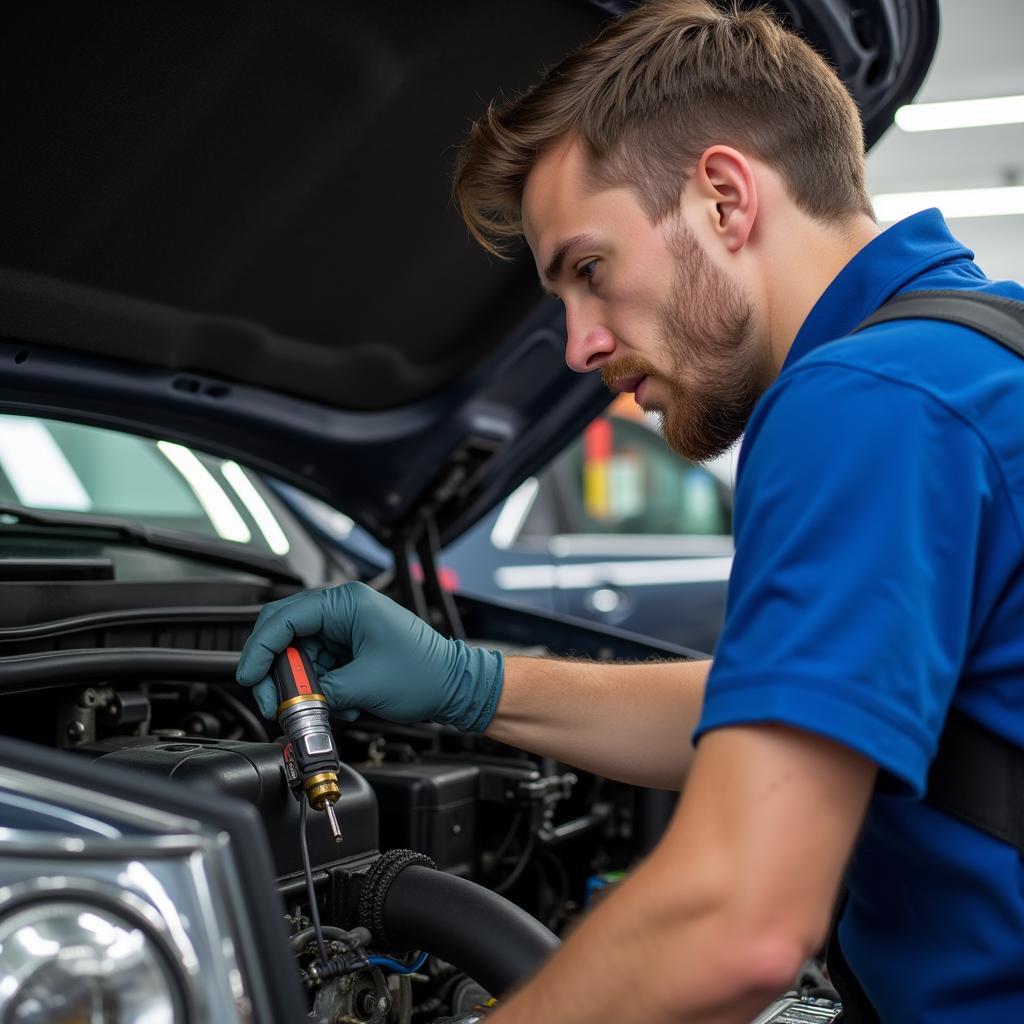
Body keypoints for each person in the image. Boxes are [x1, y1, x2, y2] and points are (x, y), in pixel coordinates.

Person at [236, 1, 1024, 1019]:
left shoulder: (865, 401)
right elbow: (788, 713)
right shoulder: (970, 353)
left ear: (725, 200)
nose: (575, 347)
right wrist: (467, 682)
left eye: (589, 272)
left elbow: (734, 922)